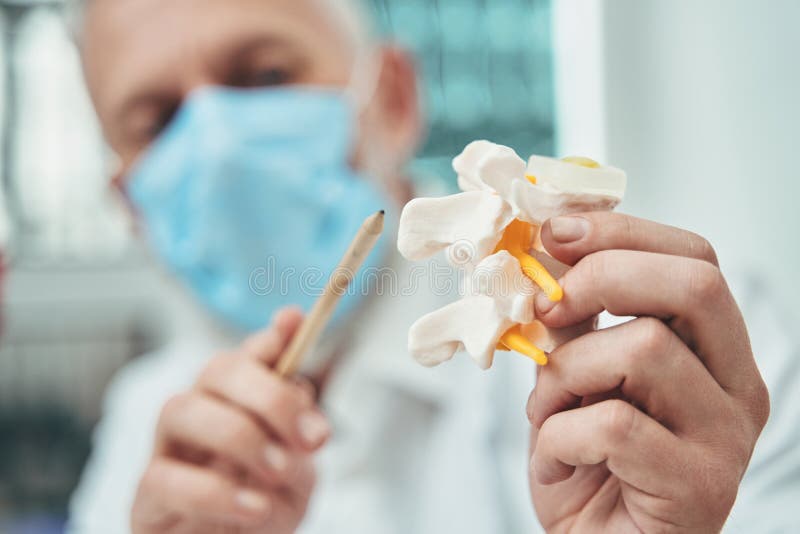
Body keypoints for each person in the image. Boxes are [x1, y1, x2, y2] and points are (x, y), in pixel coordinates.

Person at [66, 0, 799, 533]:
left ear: (393, 98)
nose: (220, 148)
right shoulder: (149, 432)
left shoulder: (671, 355)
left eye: (262, 75)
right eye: (159, 121)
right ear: (128, 201)